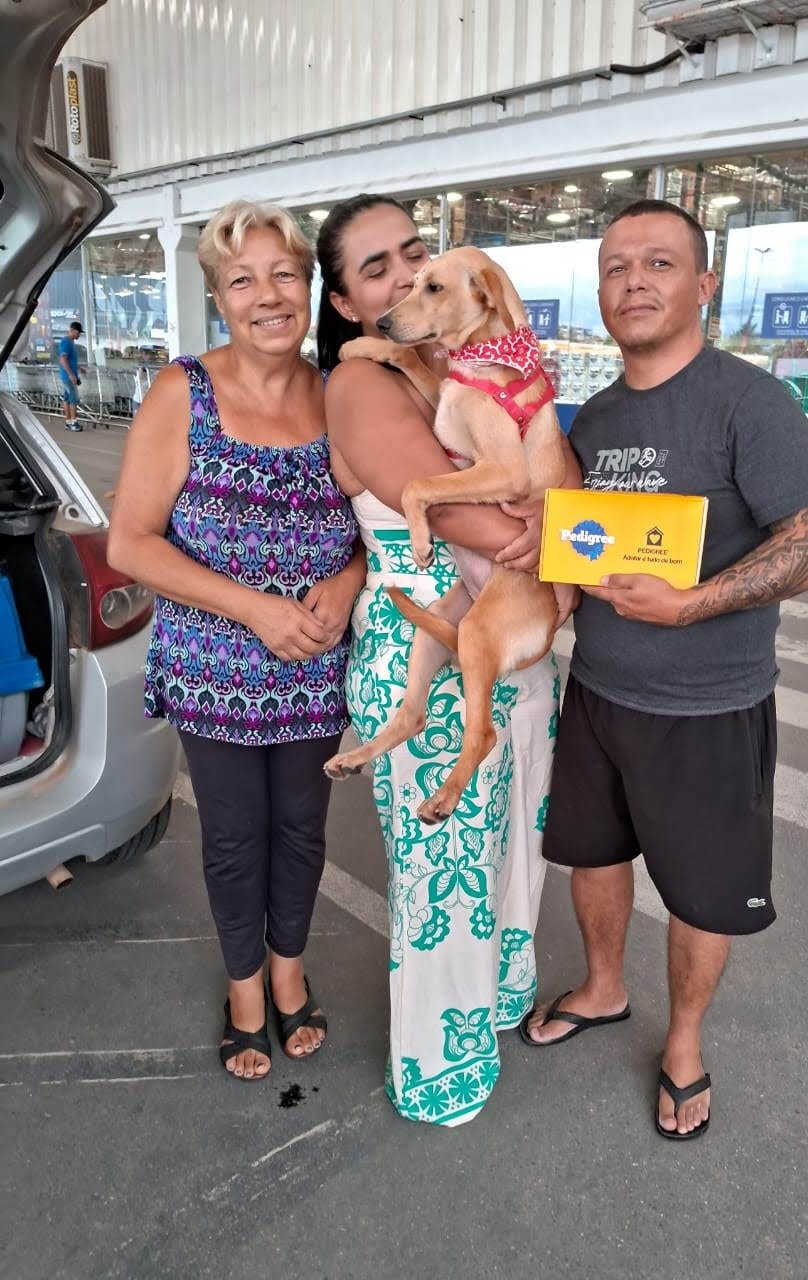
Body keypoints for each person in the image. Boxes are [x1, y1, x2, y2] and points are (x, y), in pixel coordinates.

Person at [522, 199, 808, 1141]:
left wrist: (692, 602)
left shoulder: (749, 400)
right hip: (599, 692)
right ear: (599, 292)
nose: (635, 281)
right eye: (618, 267)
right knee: (592, 858)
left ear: (703, 285)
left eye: (659, 264)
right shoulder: (602, 412)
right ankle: (604, 987)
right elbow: (583, 540)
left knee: (703, 891)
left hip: (708, 706)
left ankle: (684, 1047)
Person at [318, 195, 573, 1126]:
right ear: (346, 302)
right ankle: (440, 1070)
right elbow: (466, 516)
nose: (402, 283)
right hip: (427, 629)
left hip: (512, 638)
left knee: (510, 851)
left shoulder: (460, 366)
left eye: (415, 260)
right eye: (377, 269)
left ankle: (495, 1006)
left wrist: (559, 521)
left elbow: (542, 482)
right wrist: (550, 530)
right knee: (443, 881)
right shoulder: (361, 382)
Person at [108, 200, 364, 1082]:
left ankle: (290, 974)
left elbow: (378, 528)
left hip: (315, 664)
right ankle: (245, 991)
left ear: (310, 289)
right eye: (243, 278)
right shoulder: (183, 391)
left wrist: (346, 581)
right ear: (219, 297)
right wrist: (252, 607)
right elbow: (130, 541)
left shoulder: (340, 393)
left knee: (301, 827)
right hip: (214, 667)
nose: (267, 295)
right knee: (232, 835)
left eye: (284, 274)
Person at [58, 320, 83, 431]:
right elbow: (63, 359)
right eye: (78, 332)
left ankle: (68, 422)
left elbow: (70, 360)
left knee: (67, 399)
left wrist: (79, 368)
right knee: (73, 399)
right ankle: (74, 422)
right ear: (72, 330)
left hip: (67, 375)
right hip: (68, 377)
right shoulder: (66, 342)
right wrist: (71, 375)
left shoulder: (70, 342)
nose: (79, 335)